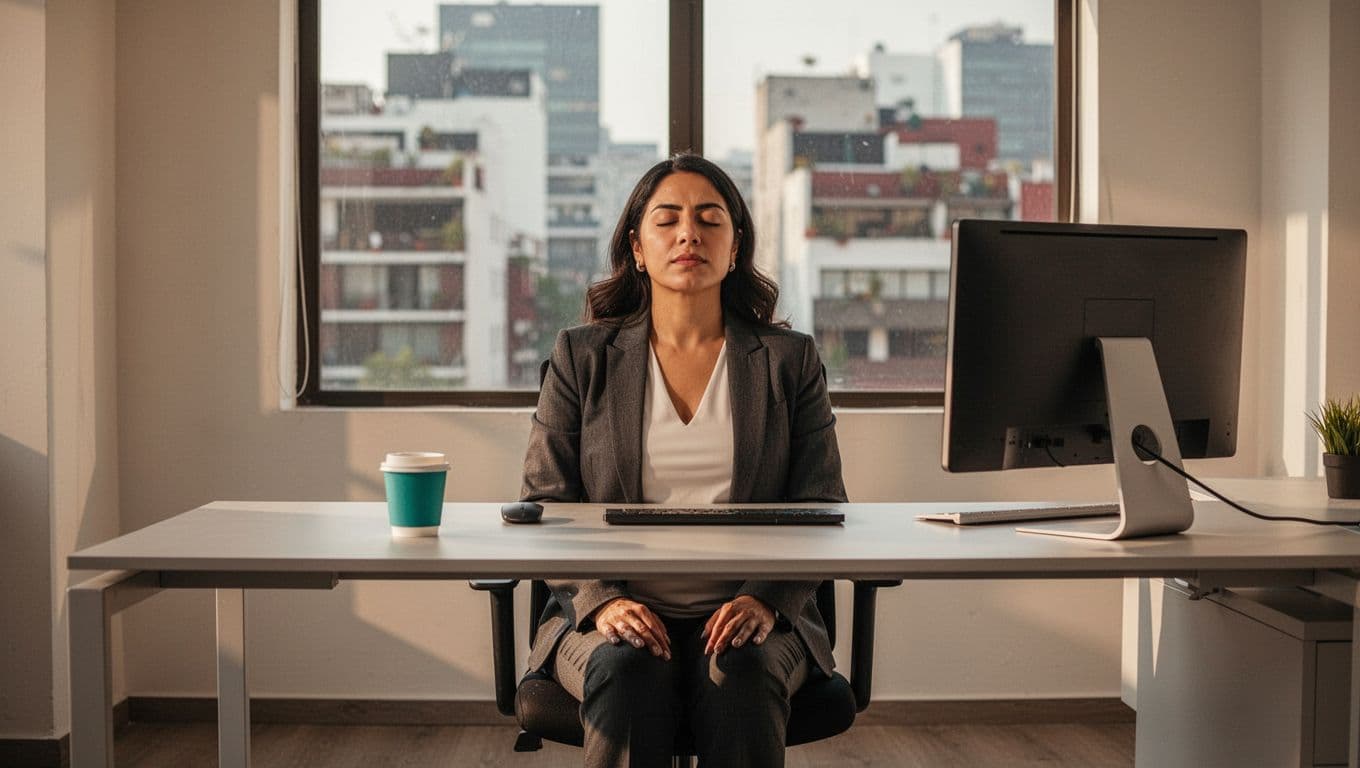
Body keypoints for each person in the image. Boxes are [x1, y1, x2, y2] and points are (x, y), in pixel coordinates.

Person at [520, 153, 847, 768]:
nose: (688, 234)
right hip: (605, 614)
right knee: (626, 669)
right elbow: (545, 504)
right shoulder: (581, 357)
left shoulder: (789, 361)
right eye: (666, 219)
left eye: (709, 219)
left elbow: (823, 504)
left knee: (742, 670)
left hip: (755, 615)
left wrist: (768, 600)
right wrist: (601, 602)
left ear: (734, 245)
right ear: (638, 249)